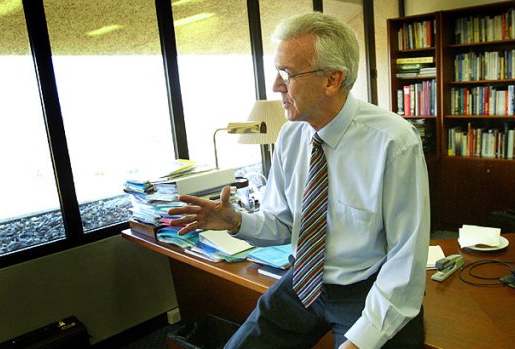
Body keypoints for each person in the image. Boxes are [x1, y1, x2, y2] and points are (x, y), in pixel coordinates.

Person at [169, 12, 430, 349]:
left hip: (366, 287)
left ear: (332, 80)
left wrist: (359, 342)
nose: (276, 86)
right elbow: (283, 223)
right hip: (303, 281)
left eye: (287, 74)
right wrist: (237, 221)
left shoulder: (394, 142)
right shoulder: (291, 136)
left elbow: (405, 261)